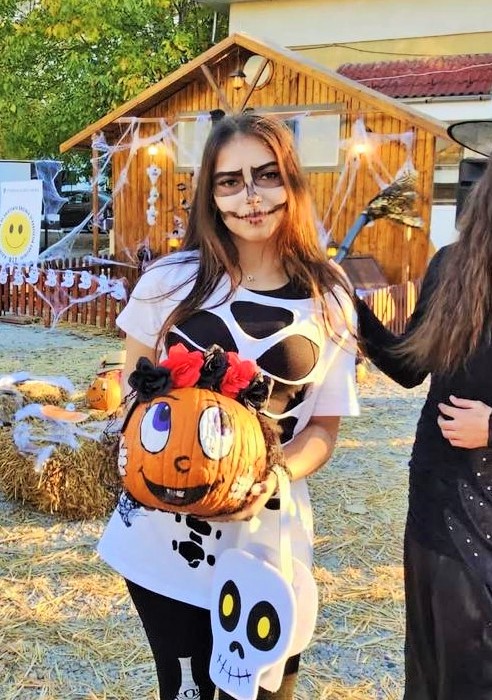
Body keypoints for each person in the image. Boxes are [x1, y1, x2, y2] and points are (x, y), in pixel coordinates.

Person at [97, 112, 359, 700]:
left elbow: (323, 428)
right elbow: (132, 391)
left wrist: (271, 475)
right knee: (185, 691)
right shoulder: (169, 281)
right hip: (165, 531)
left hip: (267, 535)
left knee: (263, 690)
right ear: (211, 196)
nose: (250, 197)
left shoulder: (329, 294)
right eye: (230, 182)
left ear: (291, 182)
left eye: (266, 175)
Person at [356, 153, 492, 700]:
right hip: (437, 493)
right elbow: (409, 366)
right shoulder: (452, 265)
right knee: (432, 659)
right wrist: (351, 311)